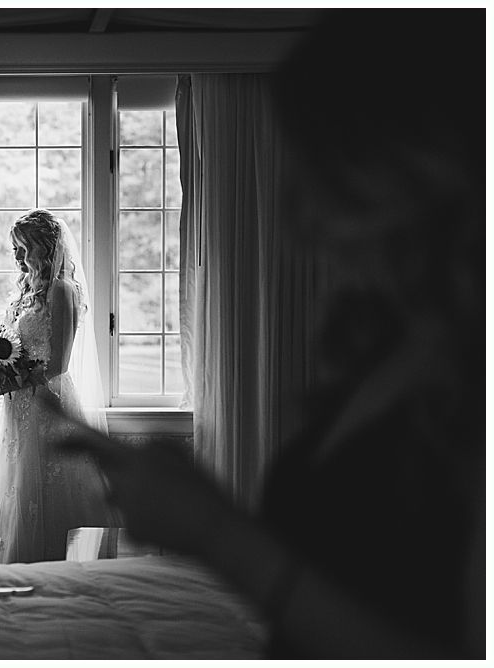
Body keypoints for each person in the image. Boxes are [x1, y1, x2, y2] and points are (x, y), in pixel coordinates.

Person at [50, 9, 483, 660]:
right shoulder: (393, 350)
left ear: (412, 173)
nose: (298, 224)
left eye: (321, 178)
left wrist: (215, 530)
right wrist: (192, 501)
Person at [0, 209, 122, 563]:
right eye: (14, 250)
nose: (18, 257)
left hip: (49, 405)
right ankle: (17, 572)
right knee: (19, 488)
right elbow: (13, 349)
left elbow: (57, 365)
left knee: (53, 489)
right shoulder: (26, 291)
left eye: (23, 248)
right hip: (19, 407)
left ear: (45, 246)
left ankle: (59, 576)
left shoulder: (63, 291)